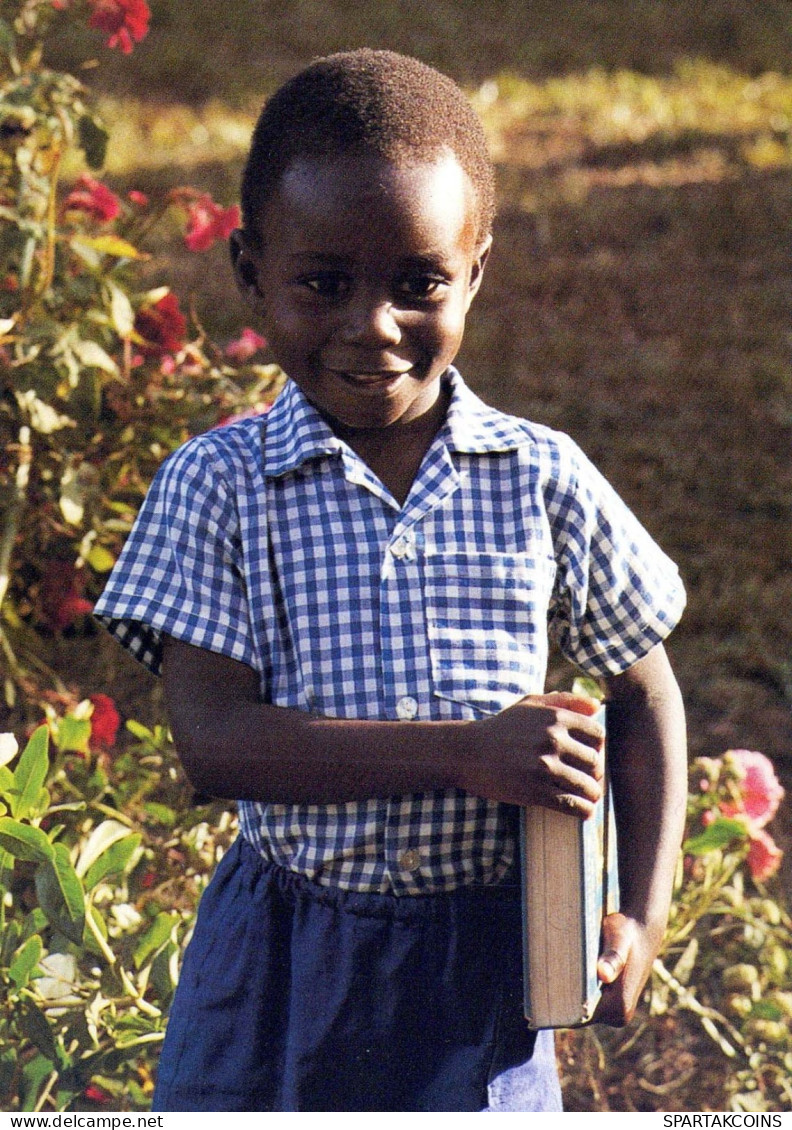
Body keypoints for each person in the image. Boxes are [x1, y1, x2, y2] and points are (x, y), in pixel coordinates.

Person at [94, 48, 688, 1112]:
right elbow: (215, 738)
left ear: (475, 273)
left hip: (486, 969)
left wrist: (638, 913)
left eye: (418, 283)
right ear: (250, 272)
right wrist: (466, 753)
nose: (372, 325)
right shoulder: (220, 485)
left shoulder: (541, 476)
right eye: (324, 282)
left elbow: (645, 695)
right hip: (285, 957)